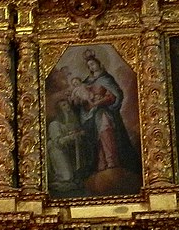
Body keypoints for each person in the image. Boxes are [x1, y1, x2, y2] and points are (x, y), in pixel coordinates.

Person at [71, 51, 140, 186]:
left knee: (106, 131)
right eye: (89, 66)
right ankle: (101, 163)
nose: (91, 67)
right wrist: (80, 102)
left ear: (98, 63)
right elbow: (79, 102)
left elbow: (116, 94)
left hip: (104, 111)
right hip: (90, 115)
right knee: (96, 139)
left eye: (93, 64)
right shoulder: (85, 83)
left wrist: (101, 101)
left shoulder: (106, 79)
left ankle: (112, 161)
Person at [46, 98, 85, 188]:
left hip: (66, 150)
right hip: (56, 150)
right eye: (64, 105)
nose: (67, 106)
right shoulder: (54, 124)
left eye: (67, 104)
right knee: (66, 177)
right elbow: (58, 142)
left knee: (71, 176)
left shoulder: (69, 123)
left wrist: (78, 135)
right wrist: (72, 136)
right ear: (60, 109)